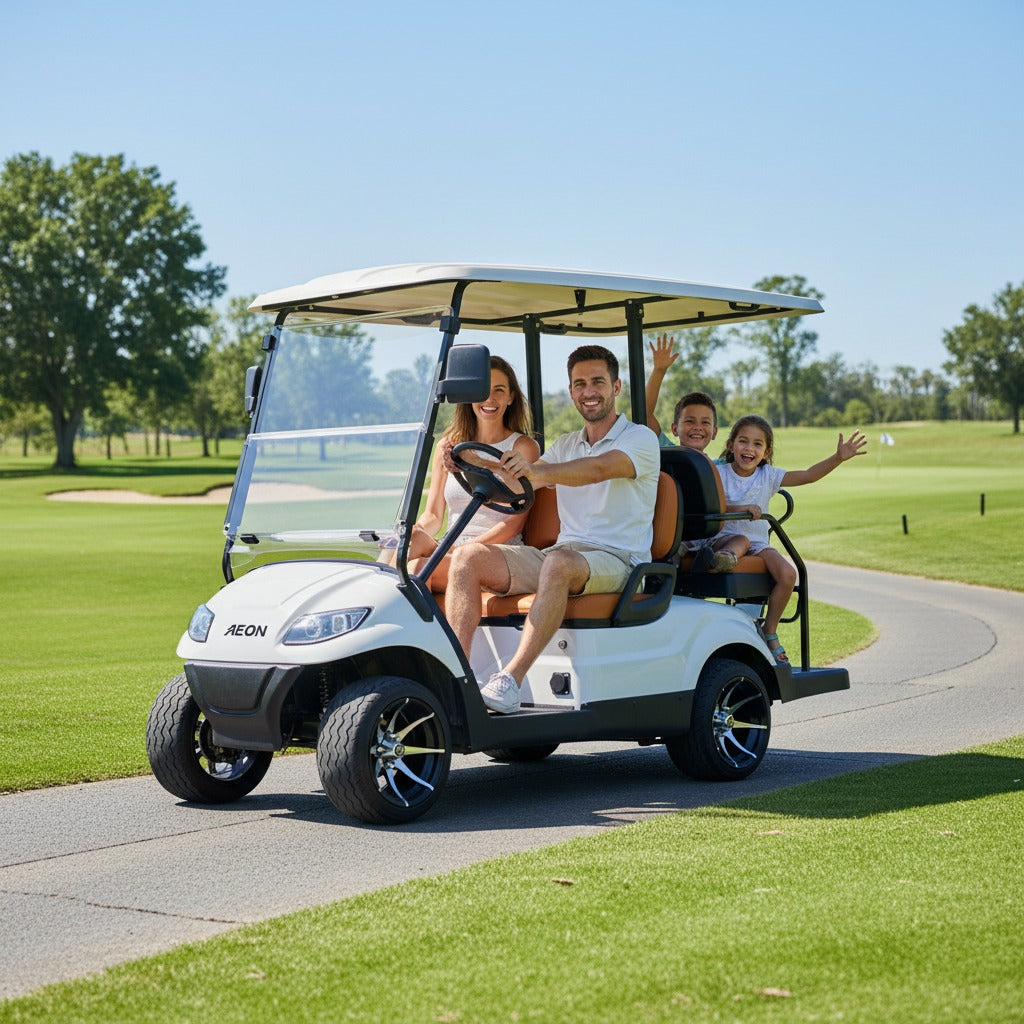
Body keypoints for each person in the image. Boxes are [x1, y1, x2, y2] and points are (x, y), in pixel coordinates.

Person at [445, 344, 661, 714]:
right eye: (579, 384)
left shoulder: (639, 439)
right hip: (561, 555)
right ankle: (457, 679)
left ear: (616, 387)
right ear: (572, 392)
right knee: (467, 558)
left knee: (558, 563)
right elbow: (520, 485)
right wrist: (473, 464)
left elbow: (598, 470)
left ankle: (509, 680)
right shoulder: (566, 444)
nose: (588, 391)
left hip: (621, 560)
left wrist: (538, 472)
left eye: (597, 382)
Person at [711, 414, 867, 664]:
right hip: (724, 538)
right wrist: (740, 507)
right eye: (743, 441)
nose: (749, 448)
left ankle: (769, 630)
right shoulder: (719, 472)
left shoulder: (768, 475)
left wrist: (838, 458)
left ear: (766, 451)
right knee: (740, 540)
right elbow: (712, 504)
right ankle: (723, 559)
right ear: (731, 445)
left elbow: (807, 475)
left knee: (788, 574)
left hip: (758, 544)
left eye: (757, 444)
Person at [383, 356, 539, 590]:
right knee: (404, 543)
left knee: (415, 571)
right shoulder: (448, 447)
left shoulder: (523, 448)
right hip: (451, 546)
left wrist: (460, 550)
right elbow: (434, 515)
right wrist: (408, 535)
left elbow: (513, 525)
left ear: (511, 397)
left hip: (494, 553)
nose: (489, 398)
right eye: (483, 390)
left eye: (499, 390)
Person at [644, 334, 733, 572]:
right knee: (668, 552)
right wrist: (659, 371)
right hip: (671, 534)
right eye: (690, 421)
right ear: (675, 428)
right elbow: (644, 414)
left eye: (705, 423)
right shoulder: (666, 449)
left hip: (707, 537)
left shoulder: (720, 465)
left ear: (714, 432)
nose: (697, 427)